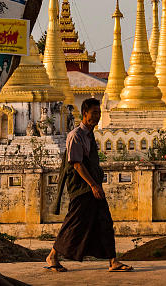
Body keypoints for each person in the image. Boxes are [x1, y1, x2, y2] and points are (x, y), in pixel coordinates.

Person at [45, 98, 133, 272]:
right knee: (75, 223)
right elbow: (76, 164)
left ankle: (113, 260)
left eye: (99, 113)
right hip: (81, 187)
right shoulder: (75, 135)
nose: (97, 117)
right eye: (94, 113)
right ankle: (52, 255)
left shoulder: (89, 135)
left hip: (92, 185)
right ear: (84, 113)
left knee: (104, 221)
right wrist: (93, 186)